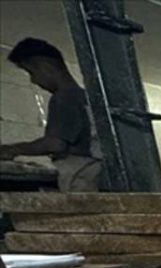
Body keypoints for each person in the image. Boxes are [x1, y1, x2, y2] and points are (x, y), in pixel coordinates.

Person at [0, 38, 103, 191]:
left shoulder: (64, 97)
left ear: (46, 66)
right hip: (95, 173)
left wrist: (11, 149)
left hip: (81, 177)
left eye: (31, 72)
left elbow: (55, 144)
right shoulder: (84, 97)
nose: (34, 81)